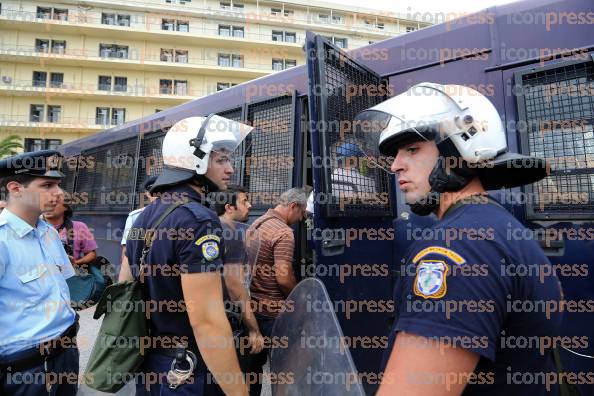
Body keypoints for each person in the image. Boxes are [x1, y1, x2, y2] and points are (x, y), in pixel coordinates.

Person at [353, 82, 563, 395]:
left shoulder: (454, 247)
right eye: (395, 155)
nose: (395, 165)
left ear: (459, 152)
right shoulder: (501, 227)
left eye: (412, 149)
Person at [126, 115, 253, 395]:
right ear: (193, 159)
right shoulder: (198, 220)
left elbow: (126, 285)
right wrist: (238, 391)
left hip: (153, 362)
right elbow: (207, 321)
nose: (231, 169)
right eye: (220, 160)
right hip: (188, 368)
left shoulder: (145, 215)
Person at [0, 150, 79, 395]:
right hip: (26, 368)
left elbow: (65, 284)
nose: (59, 193)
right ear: (15, 188)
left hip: (66, 353)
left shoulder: (49, 232)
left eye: (58, 184)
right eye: (47, 185)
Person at [246, 188, 306, 396]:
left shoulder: (258, 223)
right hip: (274, 313)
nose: (302, 218)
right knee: (285, 371)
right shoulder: (283, 232)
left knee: (252, 370)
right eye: (302, 213)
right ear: (293, 207)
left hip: (254, 310)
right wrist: (298, 296)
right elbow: (283, 276)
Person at [209, 185, 263, 395]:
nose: (250, 205)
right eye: (244, 201)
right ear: (229, 207)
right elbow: (236, 288)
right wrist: (253, 329)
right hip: (229, 322)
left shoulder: (211, 228)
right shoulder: (231, 233)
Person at [118, 175, 159, 282]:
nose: (156, 195)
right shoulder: (135, 216)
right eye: (152, 191)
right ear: (147, 193)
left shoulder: (177, 214)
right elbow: (127, 250)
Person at [44, 199, 98, 268]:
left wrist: (75, 263)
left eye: (53, 203)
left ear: (65, 207)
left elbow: (91, 254)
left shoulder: (80, 227)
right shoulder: (34, 227)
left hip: (70, 276)